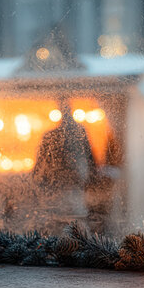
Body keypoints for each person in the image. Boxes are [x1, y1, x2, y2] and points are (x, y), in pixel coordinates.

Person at [32, 99, 96, 231]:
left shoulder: (76, 133)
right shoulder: (59, 135)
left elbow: (90, 161)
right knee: (70, 223)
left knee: (68, 223)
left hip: (70, 189)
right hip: (65, 189)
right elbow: (91, 162)